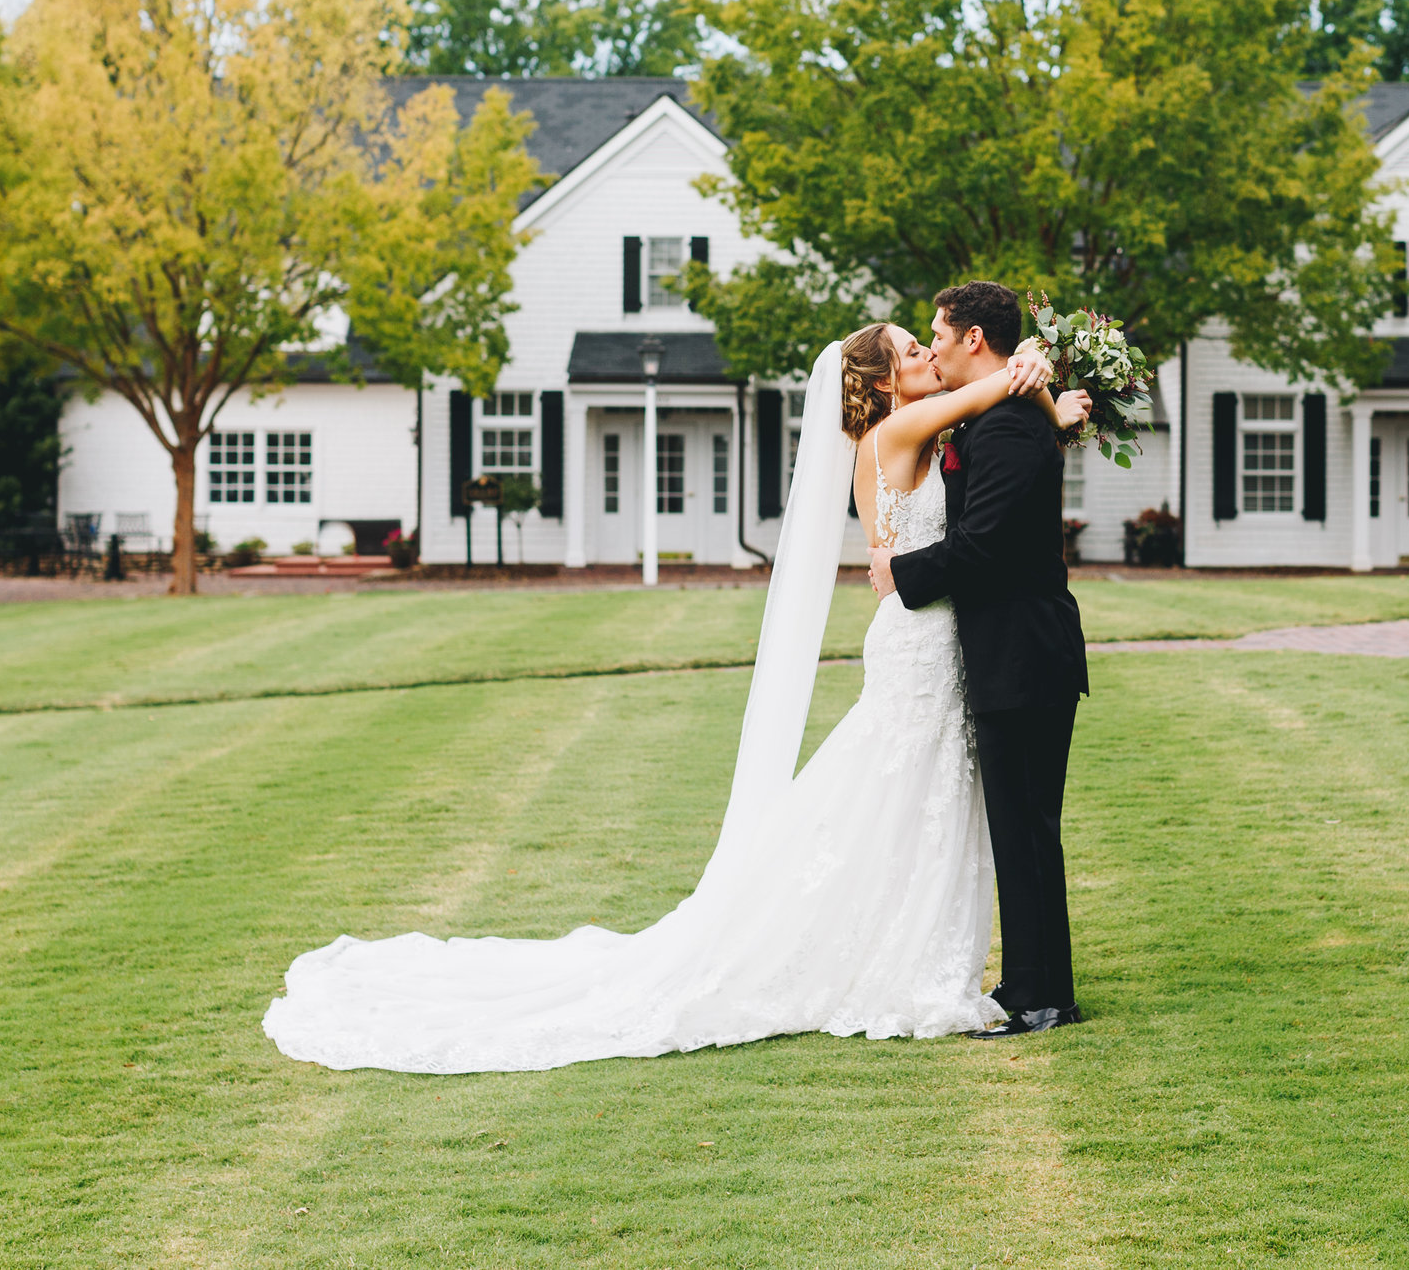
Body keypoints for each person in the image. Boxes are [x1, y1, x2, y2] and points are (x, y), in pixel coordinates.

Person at [261, 323, 1085, 1073]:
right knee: (903, 794)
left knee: (906, 799)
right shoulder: (896, 429)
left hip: (927, 636)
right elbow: (989, 389)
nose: (925, 359)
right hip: (919, 641)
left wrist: (1054, 408)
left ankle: (913, 948)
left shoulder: (901, 430)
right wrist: (1034, 372)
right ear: (876, 384)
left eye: (926, 344)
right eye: (910, 353)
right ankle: (893, 957)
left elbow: (983, 426)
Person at [870, 280, 1091, 1038]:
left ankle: (1042, 996)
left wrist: (901, 572)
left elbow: (984, 546)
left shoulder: (1004, 430)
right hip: (1011, 654)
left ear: (973, 339)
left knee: (1027, 826)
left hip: (1023, 654)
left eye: (938, 331)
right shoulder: (999, 418)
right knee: (1022, 827)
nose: (931, 344)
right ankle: (1033, 979)